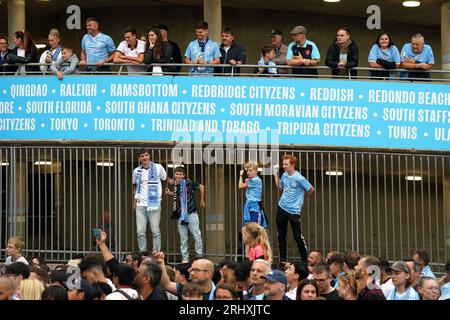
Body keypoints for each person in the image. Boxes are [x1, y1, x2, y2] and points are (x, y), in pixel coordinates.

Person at [273, 155, 314, 264]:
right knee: (281, 236)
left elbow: (311, 189)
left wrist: (302, 198)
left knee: (297, 236)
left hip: (294, 211)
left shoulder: (299, 178)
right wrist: (275, 174)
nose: (284, 166)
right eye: (283, 164)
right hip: (281, 207)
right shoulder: (285, 175)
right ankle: (282, 261)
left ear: (292, 165)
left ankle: (305, 260)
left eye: (286, 164)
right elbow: (280, 187)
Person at [165, 166, 205, 263]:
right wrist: (170, 193)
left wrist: (202, 200)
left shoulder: (188, 183)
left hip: (191, 212)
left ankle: (199, 256)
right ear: (175, 175)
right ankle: (185, 258)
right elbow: (178, 194)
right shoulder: (175, 185)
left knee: (197, 235)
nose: (178, 176)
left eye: (180, 174)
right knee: (183, 238)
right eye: (177, 174)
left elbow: (201, 186)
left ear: (184, 175)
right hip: (180, 214)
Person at [132, 148, 168, 252]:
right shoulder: (136, 171)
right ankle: (142, 253)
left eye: (146, 155)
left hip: (154, 204)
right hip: (140, 204)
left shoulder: (158, 167)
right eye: (142, 156)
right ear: (139, 158)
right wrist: (134, 201)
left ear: (149, 156)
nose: (144, 158)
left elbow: (165, 179)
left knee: (155, 231)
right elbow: (135, 186)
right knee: (140, 232)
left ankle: (156, 253)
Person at [238, 161, 267, 228]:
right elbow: (247, 181)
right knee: (250, 231)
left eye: (250, 170)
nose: (248, 172)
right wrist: (247, 179)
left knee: (256, 231)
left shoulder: (255, 180)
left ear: (256, 171)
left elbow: (240, 186)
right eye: (247, 170)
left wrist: (240, 175)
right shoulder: (253, 180)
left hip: (255, 210)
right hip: (251, 209)